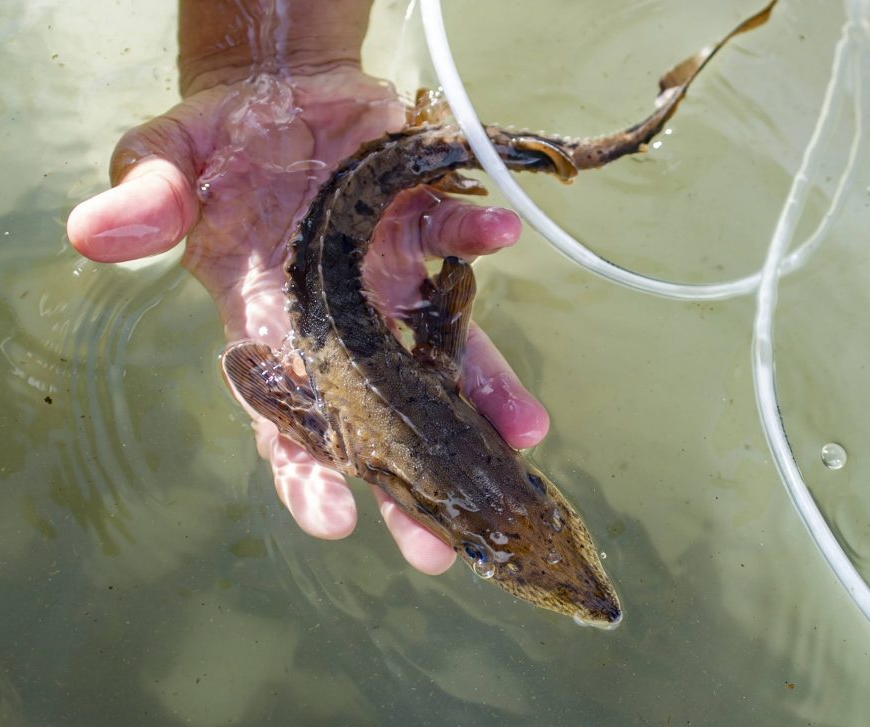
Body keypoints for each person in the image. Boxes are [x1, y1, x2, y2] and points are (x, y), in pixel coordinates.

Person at [66, 0, 547, 575]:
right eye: (533, 491)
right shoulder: (355, 448)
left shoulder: (382, 420)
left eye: (478, 549)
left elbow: (250, 367)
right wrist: (290, 63)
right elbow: (250, 369)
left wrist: (267, 65)